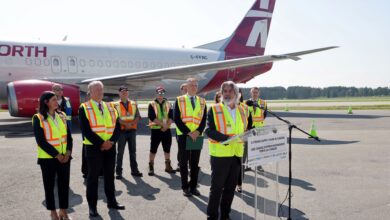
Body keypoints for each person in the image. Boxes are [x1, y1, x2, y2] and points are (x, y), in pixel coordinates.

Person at [205, 81, 252, 220]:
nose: (226, 94)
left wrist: (248, 135)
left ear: (236, 94)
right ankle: (212, 216)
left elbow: (245, 129)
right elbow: (208, 130)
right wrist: (226, 138)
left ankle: (225, 215)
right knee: (216, 189)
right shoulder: (214, 109)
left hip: (237, 154)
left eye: (229, 91)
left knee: (230, 189)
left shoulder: (243, 110)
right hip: (220, 155)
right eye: (224, 91)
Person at [78, 81, 125, 217]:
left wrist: (111, 142)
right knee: (92, 178)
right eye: (96, 90)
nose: (100, 92)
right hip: (93, 148)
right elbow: (86, 130)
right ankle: (92, 207)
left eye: (101, 89)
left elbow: (117, 127)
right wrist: (101, 143)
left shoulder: (110, 107)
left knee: (110, 176)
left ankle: (112, 202)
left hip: (110, 147)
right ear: (90, 92)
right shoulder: (84, 108)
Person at [33, 91, 73, 220]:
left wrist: (67, 153)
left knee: (64, 185)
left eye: (57, 99)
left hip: (65, 157)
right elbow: (41, 141)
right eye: (54, 100)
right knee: (49, 186)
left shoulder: (62, 115)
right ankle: (53, 213)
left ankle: (63, 211)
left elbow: (69, 137)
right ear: (46, 102)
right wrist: (57, 155)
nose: (57, 102)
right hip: (48, 159)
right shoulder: (38, 117)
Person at [174, 78, 207, 197]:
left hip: (197, 136)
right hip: (184, 136)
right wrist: (189, 132)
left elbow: (203, 119)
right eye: (192, 85)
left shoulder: (202, 101)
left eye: (196, 85)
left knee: (194, 163)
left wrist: (198, 132)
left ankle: (193, 187)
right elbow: (176, 119)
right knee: (183, 162)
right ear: (186, 87)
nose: (194, 87)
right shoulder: (179, 100)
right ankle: (185, 187)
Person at [112, 85, 143, 179]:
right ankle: (118, 172)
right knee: (120, 153)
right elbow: (116, 118)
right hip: (121, 132)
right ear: (119, 93)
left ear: (128, 93)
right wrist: (126, 124)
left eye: (126, 91)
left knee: (133, 152)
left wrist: (131, 124)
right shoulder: (115, 105)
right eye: (122, 92)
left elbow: (137, 116)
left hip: (132, 131)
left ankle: (134, 170)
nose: (124, 93)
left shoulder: (133, 103)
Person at [147, 86, 175, 175]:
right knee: (153, 149)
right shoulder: (151, 104)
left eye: (162, 93)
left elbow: (171, 116)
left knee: (167, 148)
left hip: (166, 130)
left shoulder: (168, 103)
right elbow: (152, 117)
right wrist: (164, 125)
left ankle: (168, 166)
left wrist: (166, 126)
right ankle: (151, 167)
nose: (161, 94)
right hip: (156, 130)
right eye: (159, 93)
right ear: (156, 93)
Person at [246, 87, 268, 172]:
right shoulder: (246, 103)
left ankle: (259, 165)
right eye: (253, 92)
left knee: (259, 147)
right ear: (250, 93)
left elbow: (265, 114)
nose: (254, 94)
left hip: (259, 128)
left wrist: (259, 122)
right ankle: (249, 164)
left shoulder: (263, 102)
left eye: (256, 92)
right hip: (249, 128)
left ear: (259, 93)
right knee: (249, 147)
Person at [236, 88, 253, 193]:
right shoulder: (225, 107)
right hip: (230, 140)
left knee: (241, 163)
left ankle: (239, 184)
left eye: (238, 92)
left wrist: (247, 130)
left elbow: (250, 122)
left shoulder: (245, 107)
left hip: (243, 139)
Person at [176, 83, 188, 171]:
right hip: (181, 131)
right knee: (181, 149)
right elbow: (175, 117)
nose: (186, 90)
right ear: (181, 90)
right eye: (184, 89)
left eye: (188, 88)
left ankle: (192, 165)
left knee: (193, 149)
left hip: (195, 131)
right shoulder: (178, 101)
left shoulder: (196, 100)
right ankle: (180, 163)